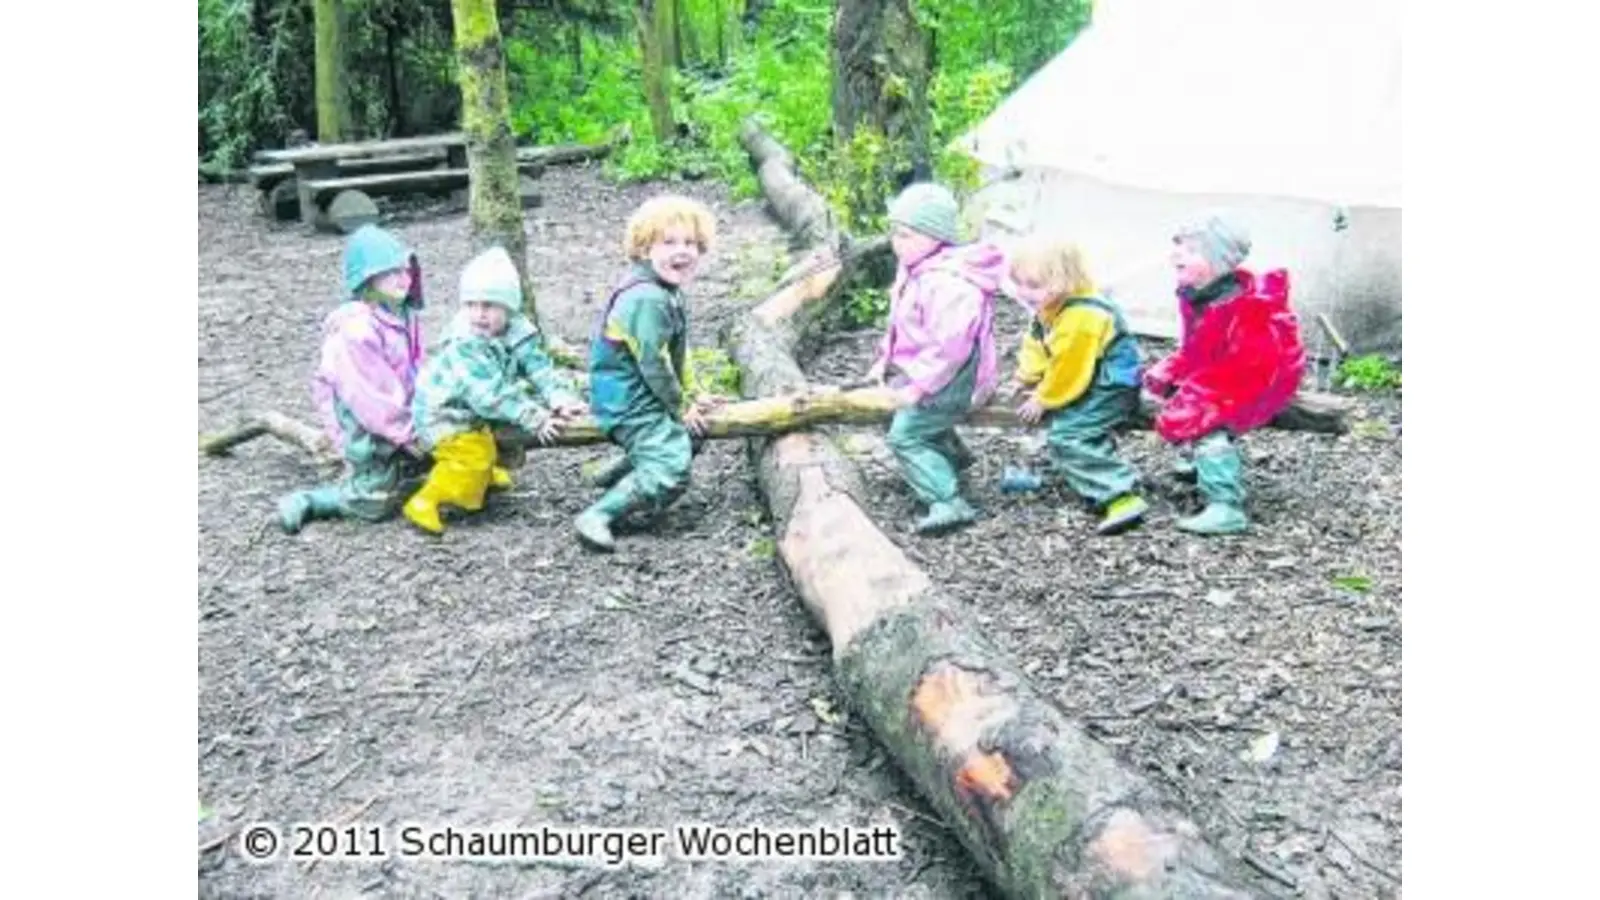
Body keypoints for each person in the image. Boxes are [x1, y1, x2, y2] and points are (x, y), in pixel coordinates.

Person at [403, 246, 587, 534]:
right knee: (470, 457)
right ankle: (428, 499)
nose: (478, 314)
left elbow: (540, 368)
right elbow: (490, 395)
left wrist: (561, 398)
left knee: (488, 445)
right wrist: (536, 418)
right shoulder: (466, 343)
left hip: (476, 411)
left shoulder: (517, 329)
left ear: (508, 307)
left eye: (488, 305)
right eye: (471, 304)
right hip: (445, 416)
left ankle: (485, 475)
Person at [1144, 214, 1307, 535]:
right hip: (1225, 368)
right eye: (1177, 247)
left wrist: (1200, 395)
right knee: (1173, 392)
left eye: (1190, 250)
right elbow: (1198, 344)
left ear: (1218, 261)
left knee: (1209, 424)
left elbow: (1251, 367)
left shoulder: (1250, 310)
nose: (1177, 255)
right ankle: (1194, 459)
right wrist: (1178, 367)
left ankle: (1225, 503)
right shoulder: (1197, 293)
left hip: (1263, 377)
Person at [575, 194, 721, 552]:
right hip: (625, 398)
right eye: (668, 242)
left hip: (638, 389)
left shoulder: (667, 291)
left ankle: (623, 470)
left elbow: (678, 353)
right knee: (671, 467)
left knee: (692, 435)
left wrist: (696, 392)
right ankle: (599, 514)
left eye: (690, 243)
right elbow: (655, 364)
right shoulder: (647, 298)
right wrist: (680, 407)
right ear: (644, 248)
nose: (681, 252)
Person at [862, 182, 1005, 535]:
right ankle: (949, 456)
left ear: (936, 237)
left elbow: (950, 349)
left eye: (907, 235)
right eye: (895, 234)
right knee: (890, 411)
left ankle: (947, 500)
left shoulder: (948, 283)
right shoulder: (915, 269)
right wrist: (883, 363)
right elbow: (901, 326)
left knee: (905, 436)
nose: (897, 243)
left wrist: (918, 389)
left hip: (956, 378)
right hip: (930, 370)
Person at [277, 224, 427, 534]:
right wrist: (405, 432)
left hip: (402, 413)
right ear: (367, 280)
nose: (402, 278)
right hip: (365, 422)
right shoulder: (356, 329)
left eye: (404, 270)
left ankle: (407, 465)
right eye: (389, 273)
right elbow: (367, 393)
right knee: (372, 503)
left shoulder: (404, 314)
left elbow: (417, 364)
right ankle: (313, 500)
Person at [1005, 235, 1149, 534]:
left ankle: (1118, 494)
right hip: (1089, 376)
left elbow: (1070, 368)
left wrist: (1044, 397)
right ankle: (1095, 463)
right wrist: (1026, 376)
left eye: (1033, 285)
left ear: (1064, 280)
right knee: (1072, 425)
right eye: (1019, 283)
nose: (1023, 293)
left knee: (1069, 435)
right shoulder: (1052, 304)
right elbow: (1037, 341)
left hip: (1111, 386)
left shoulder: (1081, 315)